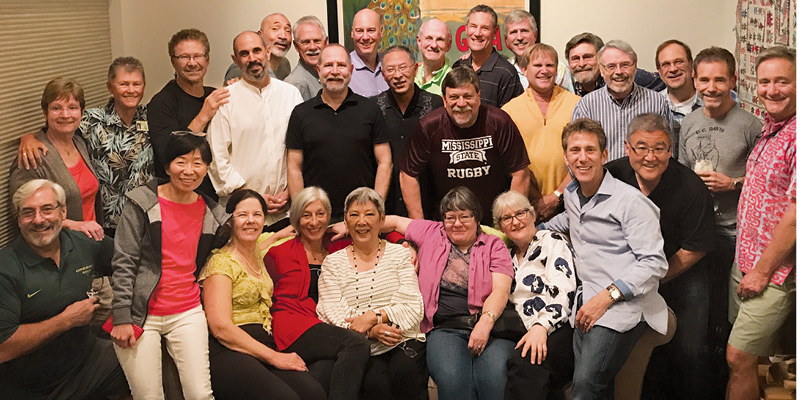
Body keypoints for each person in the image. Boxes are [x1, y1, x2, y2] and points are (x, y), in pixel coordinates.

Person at [543, 118, 668, 399]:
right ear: (566, 157)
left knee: (586, 386)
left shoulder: (631, 202)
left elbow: (654, 263)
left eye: (590, 150)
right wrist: (526, 232)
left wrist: (605, 297)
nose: (582, 158)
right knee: (580, 383)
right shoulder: (574, 194)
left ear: (604, 155)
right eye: (575, 150)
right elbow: (568, 221)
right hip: (585, 301)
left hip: (623, 305)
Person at [605, 113, 717, 400]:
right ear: (627, 148)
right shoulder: (610, 176)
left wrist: (651, 278)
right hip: (624, 277)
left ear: (670, 150)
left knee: (690, 349)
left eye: (659, 148)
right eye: (641, 147)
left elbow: (695, 247)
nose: (650, 157)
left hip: (679, 273)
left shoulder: (691, 187)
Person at [110, 132, 228, 400]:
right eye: (181, 162)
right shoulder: (141, 203)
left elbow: (243, 233)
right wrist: (122, 316)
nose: (189, 171)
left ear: (207, 169)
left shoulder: (212, 213)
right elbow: (124, 260)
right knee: (148, 396)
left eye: (198, 163)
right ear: (166, 166)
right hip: (141, 312)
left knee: (200, 395)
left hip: (187, 311)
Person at [382, 186, 516, 400]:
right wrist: (357, 224)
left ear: (476, 218)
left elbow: (501, 289)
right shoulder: (432, 232)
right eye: (450, 217)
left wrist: (485, 323)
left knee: (492, 381)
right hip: (443, 329)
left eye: (464, 216)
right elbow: (394, 221)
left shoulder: (494, 245)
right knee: (454, 381)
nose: (457, 223)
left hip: (490, 328)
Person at [0, 180, 129, 400]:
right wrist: (65, 320)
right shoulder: (6, 268)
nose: (39, 220)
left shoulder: (83, 243)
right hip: (31, 386)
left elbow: (130, 262)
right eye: (28, 213)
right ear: (19, 220)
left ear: (63, 212)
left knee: (140, 367)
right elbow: (3, 348)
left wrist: (124, 311)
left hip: (88, 360)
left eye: (47, 209)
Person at [678, 47, 762, 373]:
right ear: (695, 80)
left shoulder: (750, 125)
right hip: (700, 235)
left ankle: (730, 377)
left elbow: (765, 183)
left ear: (733, 80)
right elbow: (682, 175)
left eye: (719, 79)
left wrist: (733, 184)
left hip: (737, 236)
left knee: (732, 319)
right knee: (699, 316)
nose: (711, 87)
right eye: (704, 79)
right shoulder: (688, 123)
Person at [200, 189, 326, 400]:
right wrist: (276, 358)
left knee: (314, 393)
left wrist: (276, 235)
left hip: (263, 343)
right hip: (229, 350)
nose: (251, 221)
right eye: (242, 215)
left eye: (257, 215)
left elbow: (259, 245)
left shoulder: (256, 253)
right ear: (230, 221)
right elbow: (220, 327)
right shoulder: (220, 263)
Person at [16, 57, 154, 236]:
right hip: (109, 222)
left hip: (147, 214)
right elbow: (61, 126)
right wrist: (28, 138)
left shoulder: (151, 116)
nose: (131, 90)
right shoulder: (92, 120)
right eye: (124, 84)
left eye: (137, 84)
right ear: (110, 87)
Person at [727, 46, 796, 400]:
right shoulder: (772, 129)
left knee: (738, 357)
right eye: (765, 82)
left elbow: (796, 216)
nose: (772, 90)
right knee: (753, 360)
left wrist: (762, 271)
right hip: (747, 261)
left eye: (782, 81)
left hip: (774, 271)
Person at [317, 187, 428, 400]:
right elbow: (331, 312)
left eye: (369, 214)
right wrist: (371, 331)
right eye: (354, 215)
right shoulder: (333, 263)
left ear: (382, 219)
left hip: (402, 338)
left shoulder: (401, 255)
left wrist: (374, 316)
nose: (362, 222)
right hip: (361, 345)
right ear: (346, 222)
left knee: (406, 374)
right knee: (374, 384)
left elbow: (413, 306)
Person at [266, 186, 372, 400]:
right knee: (356, 344)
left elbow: (377, 233)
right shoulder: (278, 253)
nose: (314, 222)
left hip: (326, 324)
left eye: (320, 214)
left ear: (329, 216)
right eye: (306, 215)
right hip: (293, 326)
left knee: (324, 374)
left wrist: (406, 245)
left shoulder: (340, 247)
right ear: (296, 219)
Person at [399, 66, 531, 225]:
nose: (461, 103)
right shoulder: (429, 127)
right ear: (444, 100)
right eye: (454, 97)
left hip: (494, 221)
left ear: (479, 96)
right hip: (445, 223)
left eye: (467, 96)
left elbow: (520, 173)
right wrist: (420, 227)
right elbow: (407, 174)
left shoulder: (500, 122)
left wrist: (511, 222)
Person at [207, 31, 303, 230]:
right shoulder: (226, 99)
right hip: (241, 213)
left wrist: (290, 191)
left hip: (284, 211)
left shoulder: (290, 94)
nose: (252, 58)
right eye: (244, 53)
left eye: (257, 50)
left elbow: (304, 148)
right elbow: (216, 158)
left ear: (267, 52)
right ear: (235, 60)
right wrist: (251, 195)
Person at [286, 44, 392, 222]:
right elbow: (294, 168)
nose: (334, 71)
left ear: (350, 70)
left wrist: (374, 209)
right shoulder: (300, 113)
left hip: (361, 216)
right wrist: (302, 215)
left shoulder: (370, 110)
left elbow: (385, 162)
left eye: (341, 65)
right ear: (318, 70)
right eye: (328, 65)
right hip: (316, 219)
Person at [491, 191, 576, 400]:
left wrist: (541, 327)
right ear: (500, 227)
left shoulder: (552, 242)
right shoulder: (505, 258)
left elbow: (565, 290)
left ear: (532, 215)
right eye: (507, 218)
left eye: (520, 213)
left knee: (526, 364)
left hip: (557, 328)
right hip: (523, 331)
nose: (515, 222)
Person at [10, 78, 104, 241]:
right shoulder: (33, 156)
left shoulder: (79, 142)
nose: (65, 115)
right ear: (45, 112)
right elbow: (23, 214)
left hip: (90, 242)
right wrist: (73, 225)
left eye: (72, 108)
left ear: (82, 112)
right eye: (56, 108)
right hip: (60, 247)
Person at [502, 43, 581, 221]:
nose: (544, 71)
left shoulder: (577, 104)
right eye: (537, 65)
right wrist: (538, 199)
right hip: (527, 207)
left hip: (573, 202)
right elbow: (509, 163)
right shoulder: (509, 111)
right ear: (524, 69)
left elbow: (583, 155)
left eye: (550, 65)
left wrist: (557, 195)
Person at [148, 28, 228, 200]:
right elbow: (166, 156)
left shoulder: (214, 95)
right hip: (181, 198)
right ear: (173, 62)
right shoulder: (161, 103)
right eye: (184, 57)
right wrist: (203, 116)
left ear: (207, 60)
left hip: (220, 195)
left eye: (198, 56)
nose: (192, 63)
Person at [372, 45, 444, 216]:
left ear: (415, 69)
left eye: (403, 68)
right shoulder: (373, 109)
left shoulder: (436, 105)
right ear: (383, 75)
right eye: (391, 70)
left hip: (429, 203)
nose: (398, 75)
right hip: (387, 204)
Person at [571, 40, 672, 161]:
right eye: (611, 66)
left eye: (625, 65)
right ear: (601, 71)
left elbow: (669, 151)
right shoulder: (586, 106)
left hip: (645, 179)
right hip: (602, 179)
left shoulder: (657, 103)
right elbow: (575, 155)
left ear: (635, 67)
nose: (618, 72)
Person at [452, 4, 523, 108]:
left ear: (495, 32)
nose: (477, 33)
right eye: (473, 26)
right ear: (466, 29)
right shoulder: (458, 67)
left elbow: (510, 121)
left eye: (484, 28)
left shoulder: (507, 74)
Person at [565, 33, 665, 97]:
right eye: (575, 59)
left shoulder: (622, 75)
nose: (582, 64)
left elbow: (664, 81)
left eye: (587, 57)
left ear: (601, 59)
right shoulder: (568, 91)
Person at [503, 10, 573, 93]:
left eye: (524, 31)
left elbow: (570, 103)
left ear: (535, 35)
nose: (519, 37)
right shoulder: (504, 70)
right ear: (507, 40)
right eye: (513, 32)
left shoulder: (560, 69)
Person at [224, 13, 293, 82]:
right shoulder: (243, 67)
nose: (283, 36)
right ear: (260, 35)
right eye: (275, 29)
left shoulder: (285, 65)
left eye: (288, 31)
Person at [348, 8, 389, 97]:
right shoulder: (344, 69)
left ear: (381, 31)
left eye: (371, 30)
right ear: (352, 33)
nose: (365, 37)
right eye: (359, 31)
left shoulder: (390, 64)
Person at [285, 16, 328, 101]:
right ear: (296, 46)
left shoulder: (323, 74)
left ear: (325, 42)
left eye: (317, 41)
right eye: (306, 42)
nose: (312, 47)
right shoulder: (296, 85)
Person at [414, 18, 452, 96]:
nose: (434, 45)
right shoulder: (411, 74)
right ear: (419, 41)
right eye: (429, 38)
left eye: (440, 39)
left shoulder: (452, 80)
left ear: (448, 45)